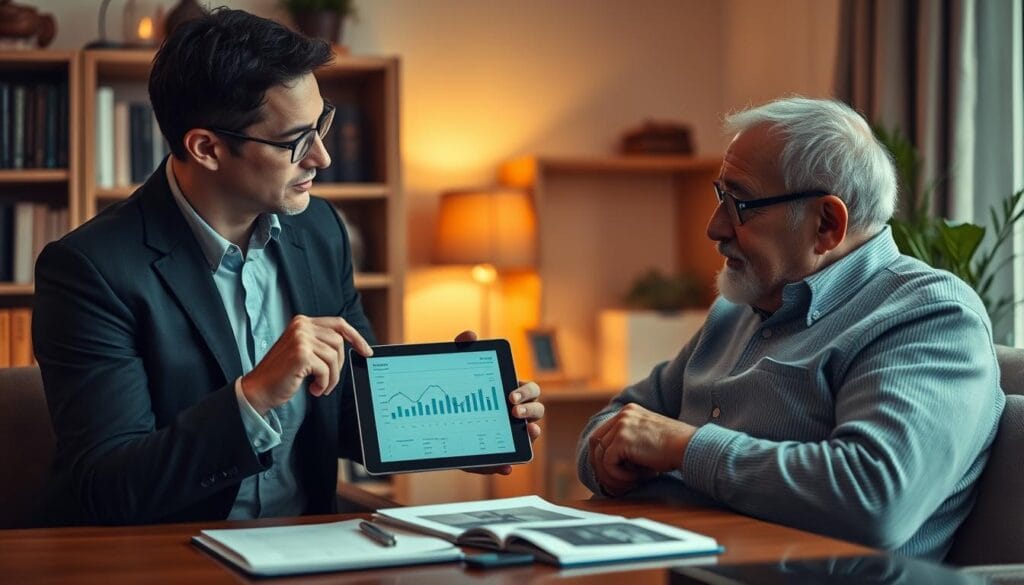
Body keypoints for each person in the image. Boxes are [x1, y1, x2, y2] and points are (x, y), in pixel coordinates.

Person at [32, 8, 543, 526]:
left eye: (323, 123)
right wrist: (253, 396)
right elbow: (109, 487)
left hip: (308, 547)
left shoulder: (320, 229)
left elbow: (346, 411)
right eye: (296, 140)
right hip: (168, 556)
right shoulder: (90, 270)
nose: (321, 157)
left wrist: (459, 430)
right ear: (206, 148)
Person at [577, 97, 1005, 559]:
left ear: (826, 223)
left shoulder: (930, 315)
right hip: (668, 560)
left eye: (740, 203)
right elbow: (619, 421)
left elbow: (874, 499)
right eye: (721, 197)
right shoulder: (737, 309)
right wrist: (609, 463)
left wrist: (685, 447)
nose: (715, 227)